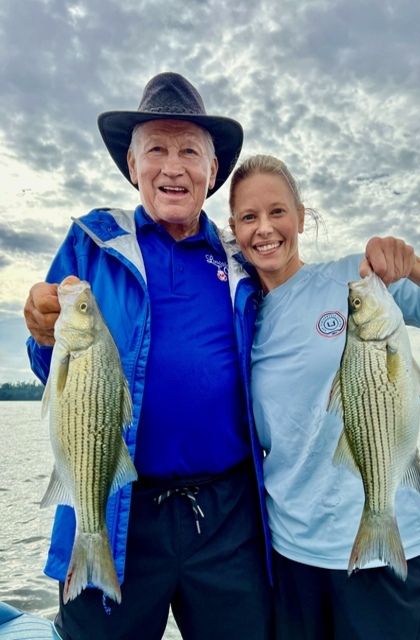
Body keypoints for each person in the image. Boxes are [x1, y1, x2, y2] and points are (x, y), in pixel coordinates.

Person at [23, 74, 272, 640]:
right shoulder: (91, 244)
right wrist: (40, 334)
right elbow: (49, 371)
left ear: (213, 173)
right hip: (113, 506)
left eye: (190, 151)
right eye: (156, 149)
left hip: (227, 516)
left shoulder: (245, 260)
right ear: (132, 167)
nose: (173, 166)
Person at [227, 154, 420, 640]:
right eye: (249, 217)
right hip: (294, 562)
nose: (265, 229)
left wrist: (414, 266)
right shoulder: (244, 321)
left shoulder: (358, 282)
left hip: (396, 555)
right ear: (234, 228)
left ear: (302, 217)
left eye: (278, 212)